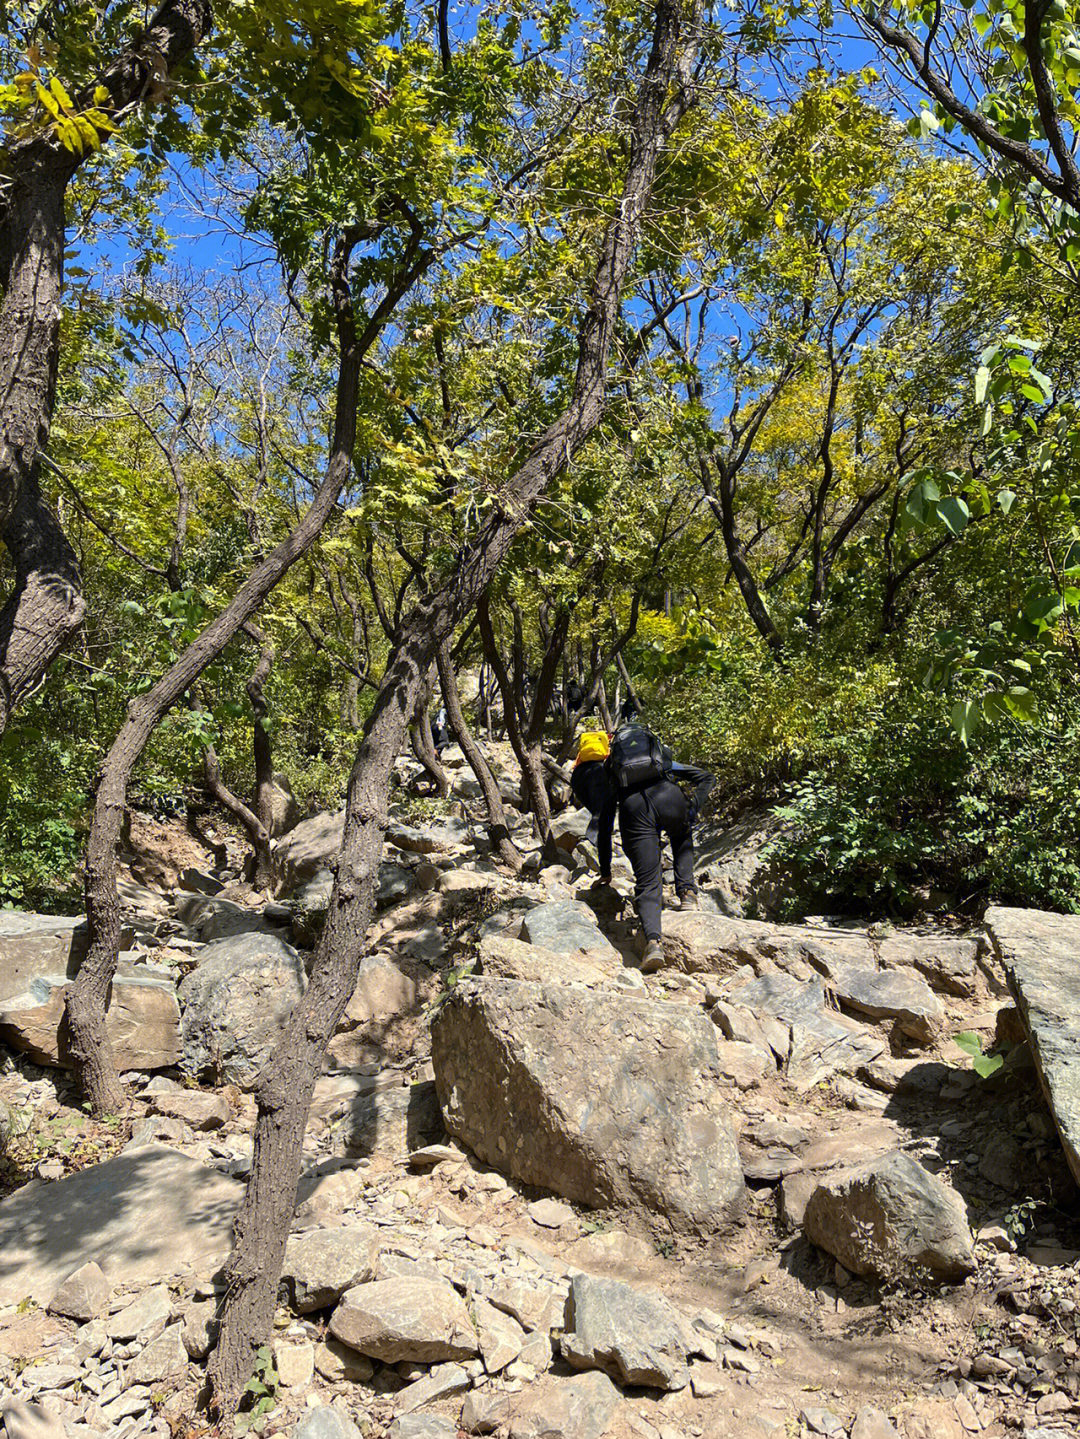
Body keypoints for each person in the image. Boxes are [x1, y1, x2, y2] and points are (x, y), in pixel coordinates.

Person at [572, 722, 714, 972]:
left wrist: (606, 871)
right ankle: (687, 894)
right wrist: (692, 809)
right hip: (670, 797)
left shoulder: (612, 769)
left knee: (648, 881)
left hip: (634, 810)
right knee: (681, 837)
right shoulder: (659, 761)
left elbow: (604, 821)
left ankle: (653, 944)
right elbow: (706, 777)